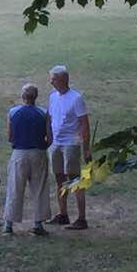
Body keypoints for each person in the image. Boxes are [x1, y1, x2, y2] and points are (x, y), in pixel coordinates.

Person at [2, 84, 51, 236]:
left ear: (23, 96)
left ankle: (8, 224)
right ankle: (38, 223)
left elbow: (10, 137)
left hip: (19, 153)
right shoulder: (44, 112)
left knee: (14, 187)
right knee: (40, 188)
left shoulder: (13, 112)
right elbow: (49, 137)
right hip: (38, 152)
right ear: (35, 97)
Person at [47, 65, 91, 230]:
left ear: (62, 80)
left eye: (53, 79)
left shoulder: (76, 98)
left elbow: (84, 124)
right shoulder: (53, 97)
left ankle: (81, 218)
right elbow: (50, 118)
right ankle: (63, 214)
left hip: (71, 144)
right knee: (59, 179)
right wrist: (49, 139)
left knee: (74, 180)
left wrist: (86, 149)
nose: (51, 82)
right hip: (56, 144)